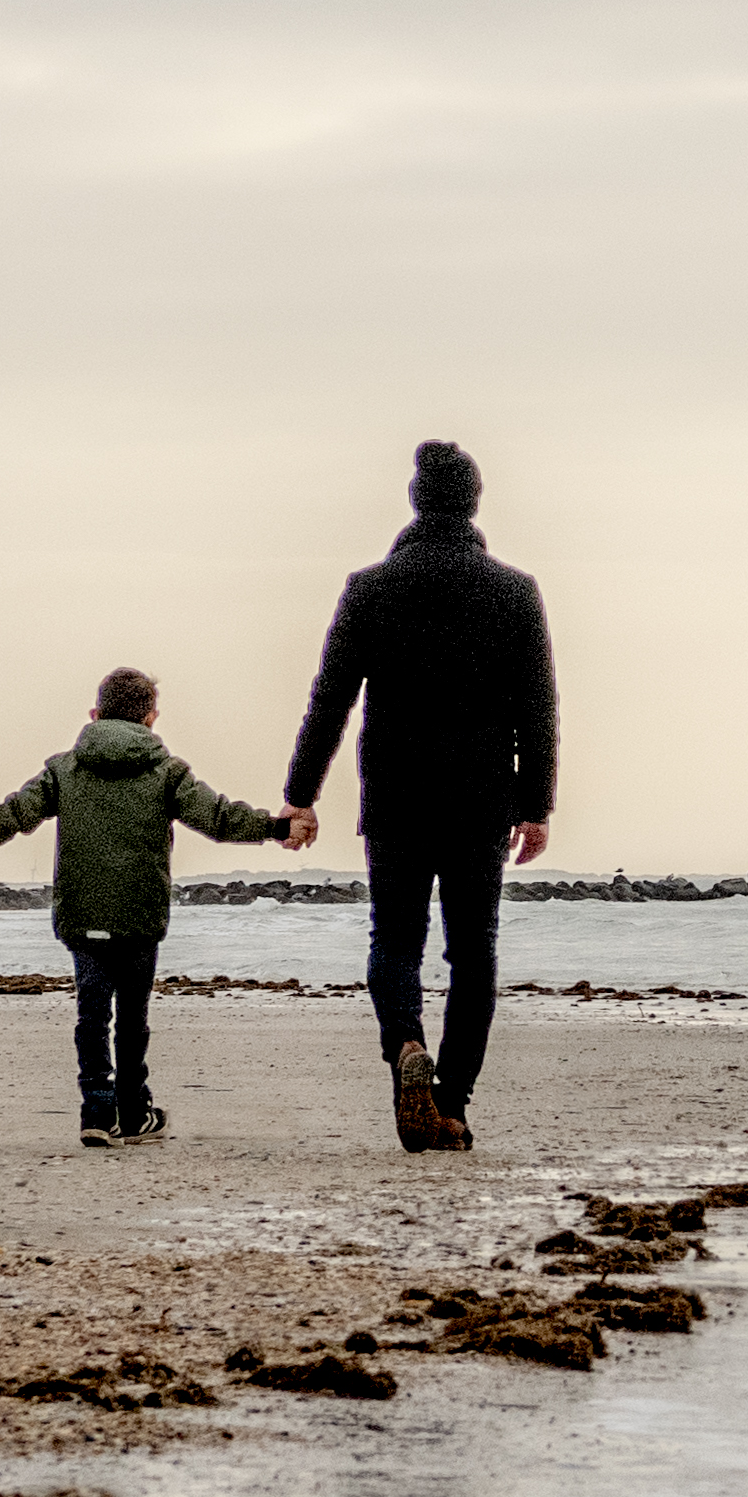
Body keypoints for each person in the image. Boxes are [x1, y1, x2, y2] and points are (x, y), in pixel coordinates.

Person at [285, 439, 557, 1152]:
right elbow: (539, 705)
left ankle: (406, 1042)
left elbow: (331, 698)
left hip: (398, 795)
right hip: (480, 798)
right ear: (474, 502)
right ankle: (453, 1102)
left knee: (396, 940)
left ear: (414, 501)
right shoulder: (514, 590)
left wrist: (300, 793)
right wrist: (537, 805)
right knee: (474, 953)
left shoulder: (370, 587)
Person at [0, 665, 304, 1144]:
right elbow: (217, 818)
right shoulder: (167, 772)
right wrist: (278, 828)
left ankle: (97, 1111)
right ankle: (133, 1112)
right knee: (133, 1017)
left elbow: (15, 813)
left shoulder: (64, 769)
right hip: (140, 913)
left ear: (95, 714)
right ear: (151, 719)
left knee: (92, 1014)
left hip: (82, 911)